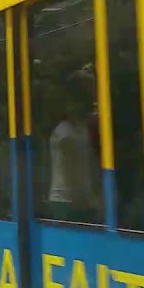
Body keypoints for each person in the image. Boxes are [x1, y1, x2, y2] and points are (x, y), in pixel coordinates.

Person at [48, 93, 98, 222]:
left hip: (81, 198)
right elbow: (69, 169)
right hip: (65, 200)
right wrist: (84, 199)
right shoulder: (63, 132)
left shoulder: (82, 129)